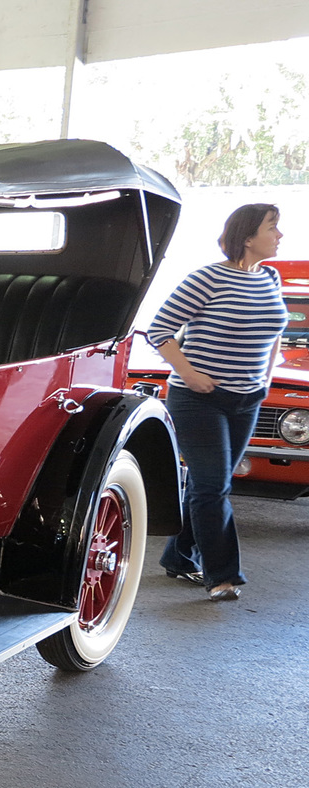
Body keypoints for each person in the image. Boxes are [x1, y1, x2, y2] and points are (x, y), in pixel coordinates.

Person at [148, 203, 288, 602]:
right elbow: (159, 330)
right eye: (272, 228)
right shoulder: (207, 278)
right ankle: (223, 577)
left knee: (212, 484)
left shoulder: (271, 278)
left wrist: (267, 375)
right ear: (247, 236)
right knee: (212, 485)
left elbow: (274, 330)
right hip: (198, 399)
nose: (279, 236)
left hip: (248, 398)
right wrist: (189, 373)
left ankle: (178, 556)